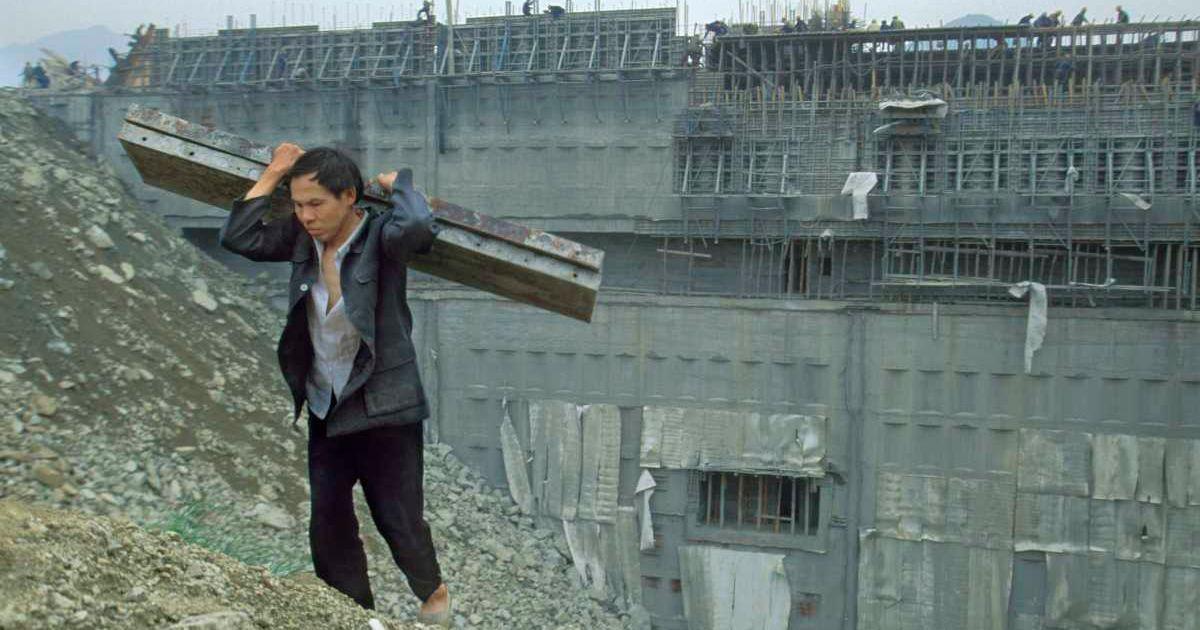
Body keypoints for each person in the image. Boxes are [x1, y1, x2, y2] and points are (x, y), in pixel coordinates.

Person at [219, 145, 451, 626]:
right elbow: (239, 235)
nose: (305, 216)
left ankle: (434, 598)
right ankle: (351, 614)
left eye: (315, 204)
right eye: (298, 205)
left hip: (384, 403)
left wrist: (400, 183)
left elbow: (418, 228)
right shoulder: (303, 240)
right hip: (328, 402)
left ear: (348, 196)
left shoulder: (380, 239)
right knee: (327, 521)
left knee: (398, 518)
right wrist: (277, 171)